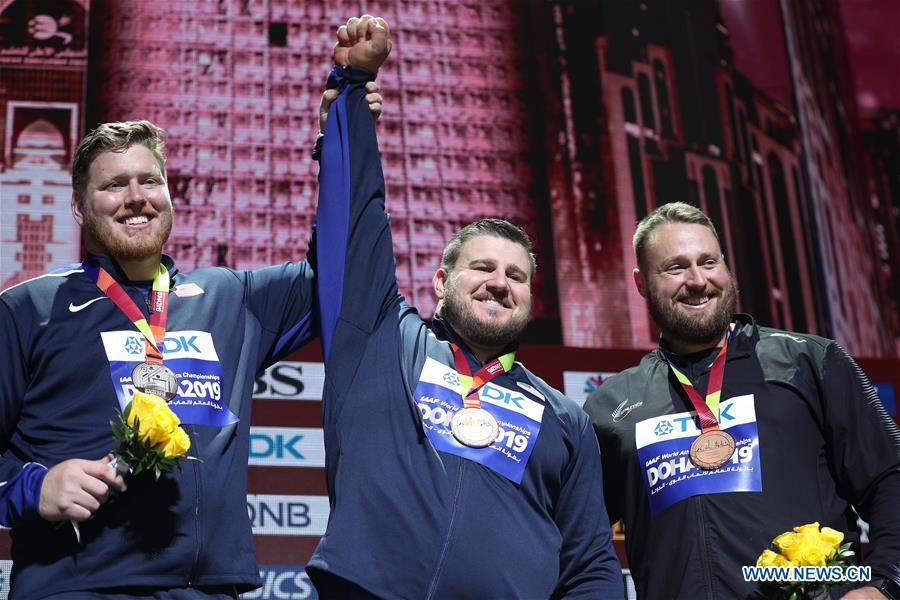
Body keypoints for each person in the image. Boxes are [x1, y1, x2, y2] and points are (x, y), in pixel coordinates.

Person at [0, 88, 383, 598]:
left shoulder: (231, 298)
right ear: (78, 207)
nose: (136, 197)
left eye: (149, 181)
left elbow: (343, 273)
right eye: (114, 185)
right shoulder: (29, 308)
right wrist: (35, 487)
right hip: (78, 585)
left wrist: (340, 138)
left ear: (168, 193)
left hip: (206, 589)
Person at [305, 15, 623, 599]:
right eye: (482, 267)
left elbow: (590, 565)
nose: (500, 283)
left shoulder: (565, 420)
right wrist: (351, 85)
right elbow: (355, 221)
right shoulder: (381, 340)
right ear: (440, 279)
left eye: (517, 276)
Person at [584, 202, 900, 599]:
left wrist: (885, 583)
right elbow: (577, 537)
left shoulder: (808, 362)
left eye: (709, 261)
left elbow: (890, 476)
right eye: (676, 267)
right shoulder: (612, 406)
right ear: (642, 282)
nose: (698, 280)